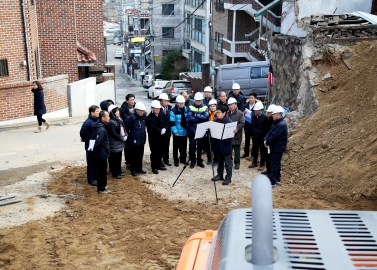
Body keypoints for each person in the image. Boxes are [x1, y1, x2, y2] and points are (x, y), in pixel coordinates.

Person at [264, 105, 288, 187]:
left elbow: (274, 136)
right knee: (276, 164)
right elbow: (269, 133)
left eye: (274, 114)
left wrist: (267, 141)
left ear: (278, 114)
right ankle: (277, 178)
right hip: (275, 147)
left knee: (274, 164)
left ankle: (273, 181)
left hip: (277, 147)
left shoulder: (281, 124)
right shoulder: (276, 123)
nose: (272, 116)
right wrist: (265, 139)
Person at [211, 105, 233, 186]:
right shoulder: (215, 121)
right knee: (220, 161)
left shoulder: (229, 122)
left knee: (227, 162)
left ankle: (228, 177)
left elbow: (233, 133)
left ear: (224, 113)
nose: (217, 114)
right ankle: (219, 175)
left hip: (226, 144)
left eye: (219, 113)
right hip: (217, 144)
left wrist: (235, 131)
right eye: (217, 112)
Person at [91, 110, 111, 194]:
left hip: (100, 153)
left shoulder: (98, 126)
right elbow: (98, 142)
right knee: (102, 171)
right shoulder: (101, 129)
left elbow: (92, 139)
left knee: (102, 171)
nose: (109, 118)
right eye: (107, 116)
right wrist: (93, 149)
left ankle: (103, 185)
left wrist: (91, 149)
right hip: (101, 154)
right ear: (103, 118)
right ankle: (101, 188)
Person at [124, 102, 147, 176]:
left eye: (143, 111)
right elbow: (126, 128)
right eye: (141, 111)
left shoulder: (143, 118)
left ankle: (139, 168)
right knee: (133, 156)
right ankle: (133, 170)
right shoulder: (131, 118)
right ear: (136, 110)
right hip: (133, 140)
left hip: (141, 140)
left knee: (140, 155)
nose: (142, 112)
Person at [187, 92, 209, 168]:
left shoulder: (205, 107)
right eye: (197, 100)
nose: (198, 102)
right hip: (192, 130)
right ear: (194, 100)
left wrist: (196, 115)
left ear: (202, 100)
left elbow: (206, 118)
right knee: (192, 147)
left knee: (200, 147)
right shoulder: (190, 107)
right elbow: (190, 118)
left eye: (199, 100)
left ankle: (199, 161)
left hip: (201, 130)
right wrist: (200, 118)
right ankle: (193, 161)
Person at [79, 105, 100, 186]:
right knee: (91, 163)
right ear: (92, 113)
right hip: (90, 145)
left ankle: (95, 175)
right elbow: (82, 133)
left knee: (96, 162)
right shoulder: (88, 122)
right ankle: (90, 178)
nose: (98, 113)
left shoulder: (97, 120)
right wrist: (87, 140)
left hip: (97, 145)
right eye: (97, 111)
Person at [146, 100, 168, 174]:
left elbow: (166, 121)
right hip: (154, 138)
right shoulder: (149, 117)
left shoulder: (161, 114)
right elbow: (151, 127)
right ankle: (154, 167)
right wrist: (159, 131)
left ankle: (159, 164)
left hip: (162, 137)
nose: (158, 110)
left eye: (159, 108)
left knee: (161, 151)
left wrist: (165, 128)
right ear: (152, 108)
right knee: (154, 152)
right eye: (156, 108)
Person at [107, 105, 127, 179]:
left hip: (119, 143)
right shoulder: (112, 122)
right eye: (116, 111)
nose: (118, 112)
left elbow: (124, 129)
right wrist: (121, 138)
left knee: (119, 158)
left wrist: (125, 135)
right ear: (113, 113)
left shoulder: (119, 119)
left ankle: (119, 171)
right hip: (114, 143)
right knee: (114, 159)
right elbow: (113, 134)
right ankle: (115, 173)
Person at [249, 102, 269, 171]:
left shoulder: (265, 117)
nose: (255, 112)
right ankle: (254, 162)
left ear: (260, 110)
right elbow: (253, 125)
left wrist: (265, 138)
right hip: (255, 136)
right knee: (254, 149)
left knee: (263, 151)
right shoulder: (253, 116)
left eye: (256, 111)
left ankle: (262, 164)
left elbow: (267, 128)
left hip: (262, 137)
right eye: (254, 110)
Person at [169, 95, 189, 167]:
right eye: (179, 103)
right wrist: (175, 132)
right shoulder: (173, 111)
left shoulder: (186, 109)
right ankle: (176, 160)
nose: (181, 105)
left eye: (182, 103)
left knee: (184, 147)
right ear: (177, 103)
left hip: (184, 132)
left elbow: (188, 120)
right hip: (177, 133)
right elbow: (172, 122)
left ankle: (183, 159)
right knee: (176, 148)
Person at [227, 97, 245, 170]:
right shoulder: (227, 113)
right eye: (229, 105)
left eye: (231, 105)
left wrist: (237, 128)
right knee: (229, 150)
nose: (230, 106)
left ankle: (237, 163)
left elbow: (242, 123)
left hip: (237, 135)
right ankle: (230, 162)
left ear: (235, 105)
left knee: (237, 151)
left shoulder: (240, 113)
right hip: (229, 135)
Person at [119, 94, 135, 170]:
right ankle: (128, 162)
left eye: (133, 99)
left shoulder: (136, 107)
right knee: (128, 148)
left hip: (135, 129)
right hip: (127, 129)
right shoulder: (122, 109)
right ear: (127, 101)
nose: (132, 101)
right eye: (131, 100)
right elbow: (124, 120)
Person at [241, 92, 257, 159]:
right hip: (247, 125)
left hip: (254, 126)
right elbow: (241, 113)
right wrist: (243, 113)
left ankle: (253, 155)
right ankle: (246, 153)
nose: (250, 99)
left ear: (255, 99)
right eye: (250, 98)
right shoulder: (245, 105)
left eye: (252, 98)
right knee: (247, 140)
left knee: (254, 141)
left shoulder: (257, 106)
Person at [261, 104, 276, 176]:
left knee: (270, 158)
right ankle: (268, 169)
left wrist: (268, 140)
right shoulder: (269, 120)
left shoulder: (274, 122)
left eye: (269, 112)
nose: (267, 113)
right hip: (267, 141)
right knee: (267, 156)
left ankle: (271, 171)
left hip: (271, 142)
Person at [158, 93, 172, 166]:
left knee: (167, 145)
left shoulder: (169, 108)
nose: (166, 102)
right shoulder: (158, 109)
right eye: (165, 101)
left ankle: (166, 159)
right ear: (161, 101)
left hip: (167, 130)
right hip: (161, 130)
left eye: (167, 101)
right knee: (161, 146)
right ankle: (160, 160)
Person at [204, 99, 218, 165]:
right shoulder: (207, 114)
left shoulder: (218, 114)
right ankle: (209, 159)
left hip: (215, 132)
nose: (212, 107)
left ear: (216, 106)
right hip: (208, 132)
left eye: (213, 106)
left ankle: (216, 160)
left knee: (215, 147)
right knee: (208, 146)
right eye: (211, 106)